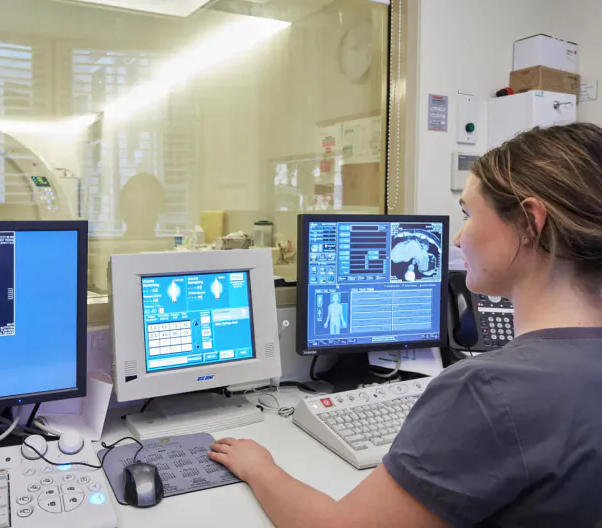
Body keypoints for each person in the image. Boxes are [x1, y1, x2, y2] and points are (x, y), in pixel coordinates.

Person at [209, 123, 602, 527]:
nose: (459, 238)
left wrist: (260, 467)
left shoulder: (489, 391)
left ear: (529, 222)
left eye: (468, 215)